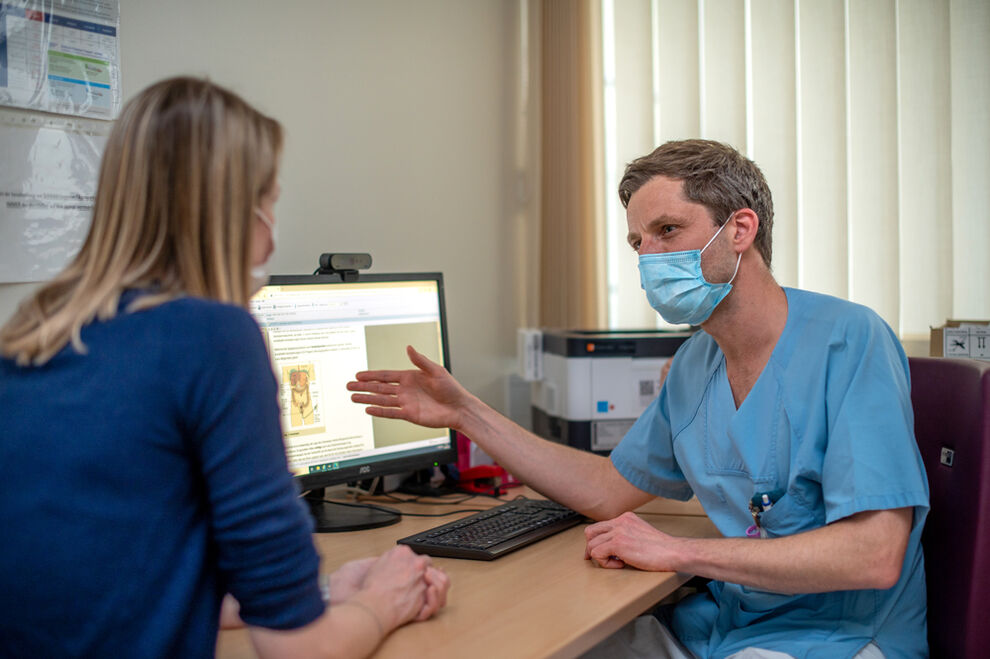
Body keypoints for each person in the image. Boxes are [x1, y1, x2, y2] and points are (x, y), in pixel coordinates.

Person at [347, 139, 929, 658]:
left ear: (740, 230)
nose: (647, 256)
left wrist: (676, 551)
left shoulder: (849, 340)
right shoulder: (696, 362)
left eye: (667, 231)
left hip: (837, 634)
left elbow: (872, 555)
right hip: (726, 622)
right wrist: (464, 412)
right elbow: (609, 490)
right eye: (637, 241)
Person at [0, 77, 449, 658]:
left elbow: (118, 581)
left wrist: (322, 591)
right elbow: (300, 652)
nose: (268, 242)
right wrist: (386, 601)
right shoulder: (213, 337)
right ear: (233, 213)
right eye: (270, 206)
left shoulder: (35, 329)